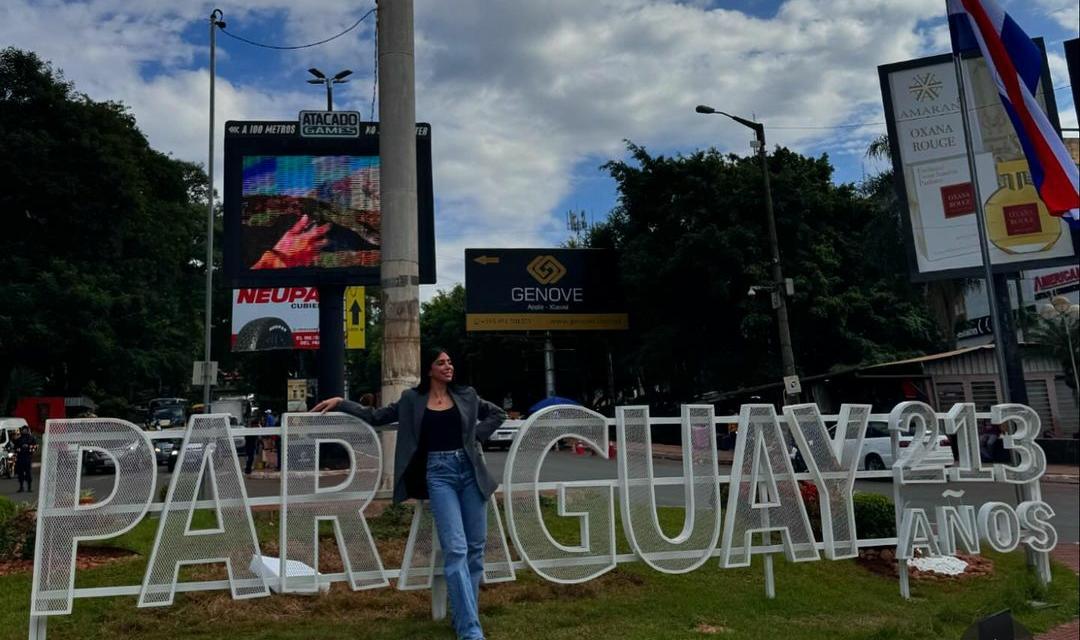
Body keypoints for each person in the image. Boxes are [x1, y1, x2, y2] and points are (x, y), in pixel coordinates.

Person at [312, 346, 506, 640]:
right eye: (441, 362)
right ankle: (470, 630)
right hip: (438, 474)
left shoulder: (466, 395)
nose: (448, 366)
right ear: (429, 370)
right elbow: (376, 416)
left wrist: (476, 435)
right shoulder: (411, 400)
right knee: (456, 549)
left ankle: (463, 618)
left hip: (470, 473)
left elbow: (497, 413)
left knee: (476, 551)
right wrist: (341, 402)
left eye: (450, 361)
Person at [13, 425, 37, 493]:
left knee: (28, 473)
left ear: (28, 430)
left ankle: (29, 487)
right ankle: (21, 487)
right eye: (23, 430)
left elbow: (35, 448)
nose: (24, 431)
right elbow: (15, 448)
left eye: (25, 430)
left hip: (27, 458)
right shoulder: (19, 439)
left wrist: (28, 447)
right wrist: (20, 449)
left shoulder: (31, 438)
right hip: (20, 458)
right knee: (20, 474)